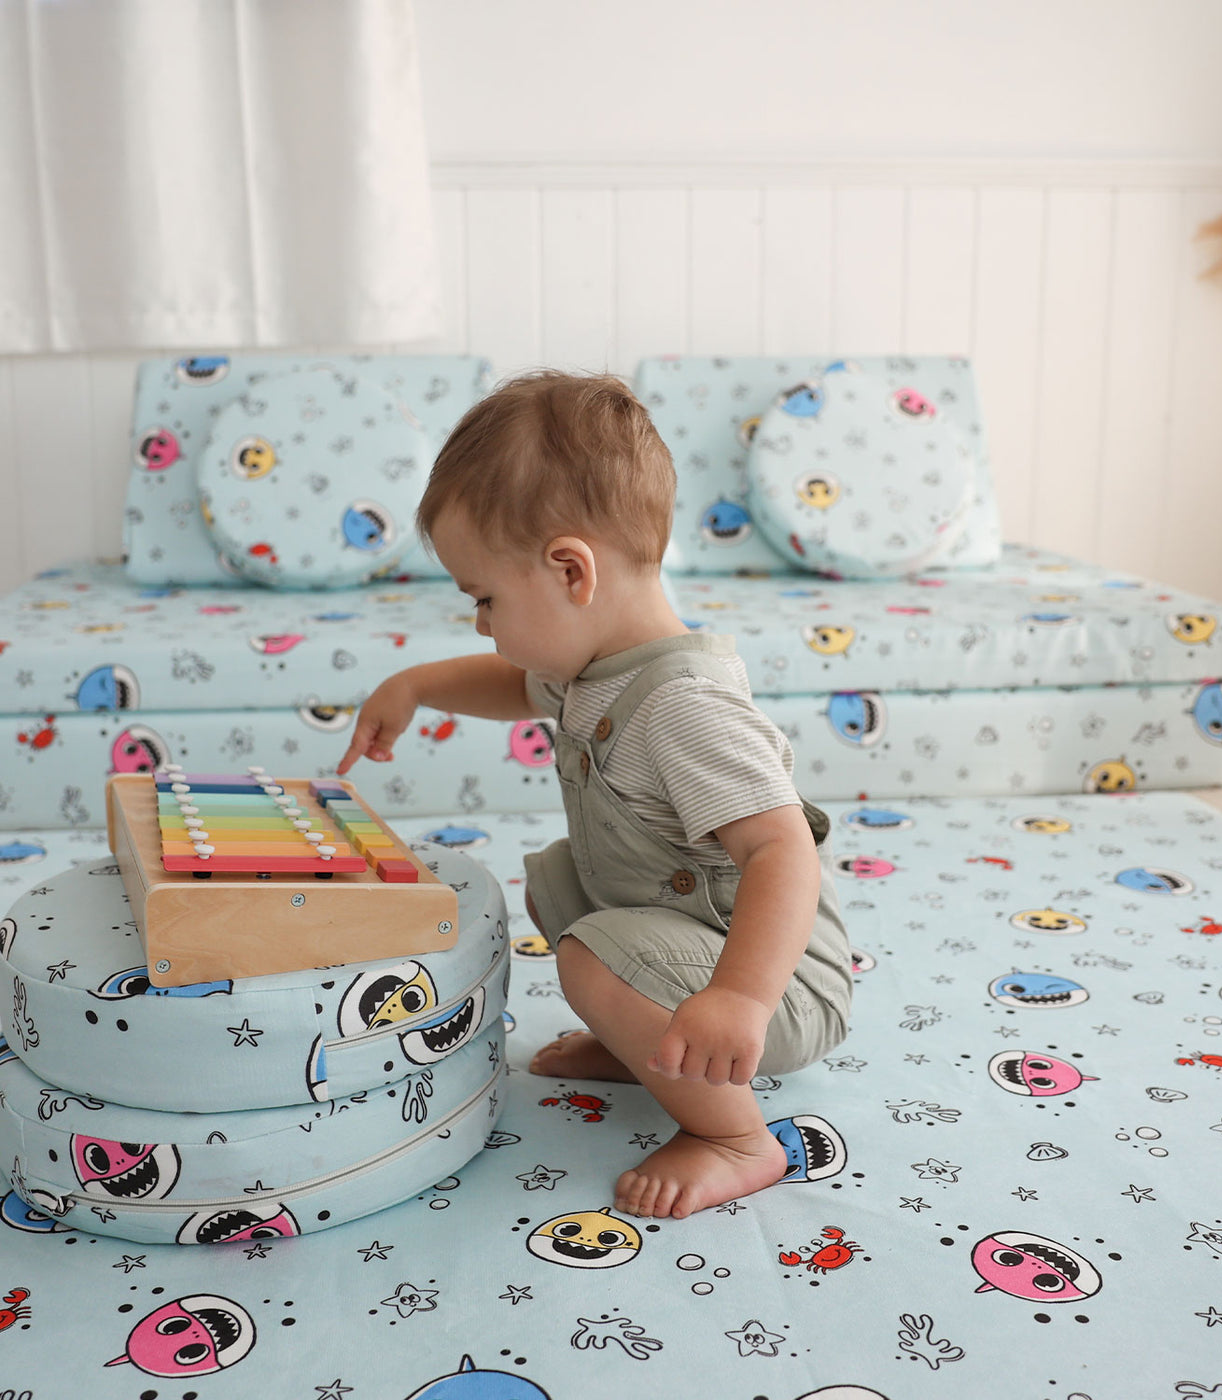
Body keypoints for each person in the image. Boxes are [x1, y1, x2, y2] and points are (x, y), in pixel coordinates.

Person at [336, 370, 851, 1219]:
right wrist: (418, 685)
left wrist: (739, 1000)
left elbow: (781, 851)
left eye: (486, 599)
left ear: (571, 570)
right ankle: (646, 1047)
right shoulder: (591, 667)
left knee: (589, 952)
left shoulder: (683, 705)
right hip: (698, 955)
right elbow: (514, 685)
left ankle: (735, 1138)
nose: (482, 625)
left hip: (774, 986)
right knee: (560, 884)